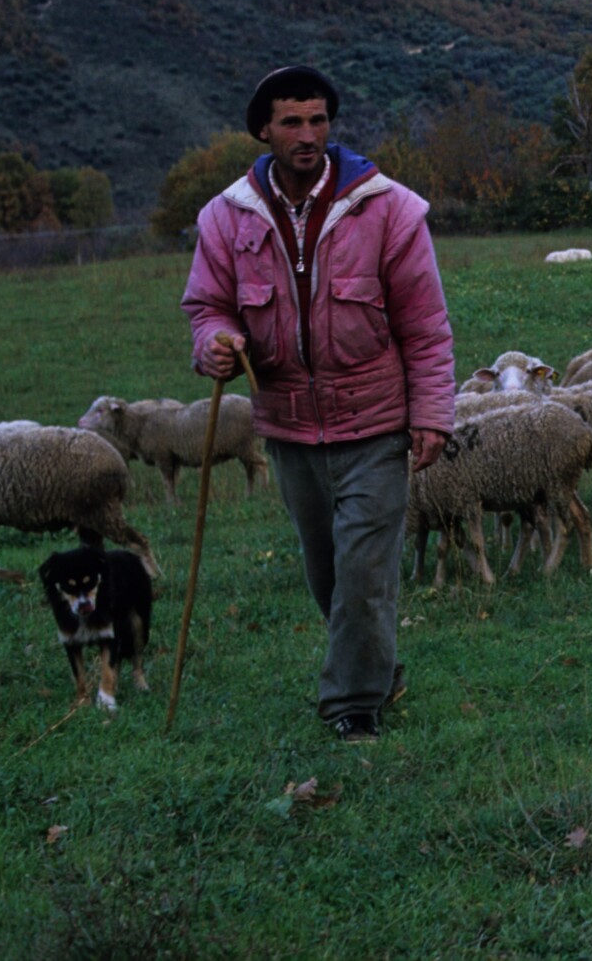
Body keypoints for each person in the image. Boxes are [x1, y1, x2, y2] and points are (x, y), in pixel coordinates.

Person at [181, 65, 453, 742]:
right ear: (264, 130)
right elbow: (206, 305)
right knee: (326, 569)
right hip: (289, 424)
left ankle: (352, 706)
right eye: (293, 121)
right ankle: (378, 666)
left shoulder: (387, 208)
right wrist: (214, 341)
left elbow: (425, 323)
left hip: (376, 420)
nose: (308, 134)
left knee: (363, 568)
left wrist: (432, 413)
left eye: (319, 120)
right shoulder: (227, 216)